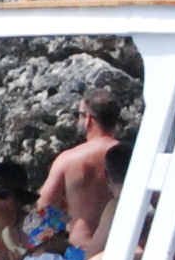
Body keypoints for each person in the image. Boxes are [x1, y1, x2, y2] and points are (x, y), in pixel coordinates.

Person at [39, 88, 127, 248]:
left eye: (78, 114)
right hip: (121, 251)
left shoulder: (69, 159)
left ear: (88, 119)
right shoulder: (129, 156)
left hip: (80, 249)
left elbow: (45, 207)